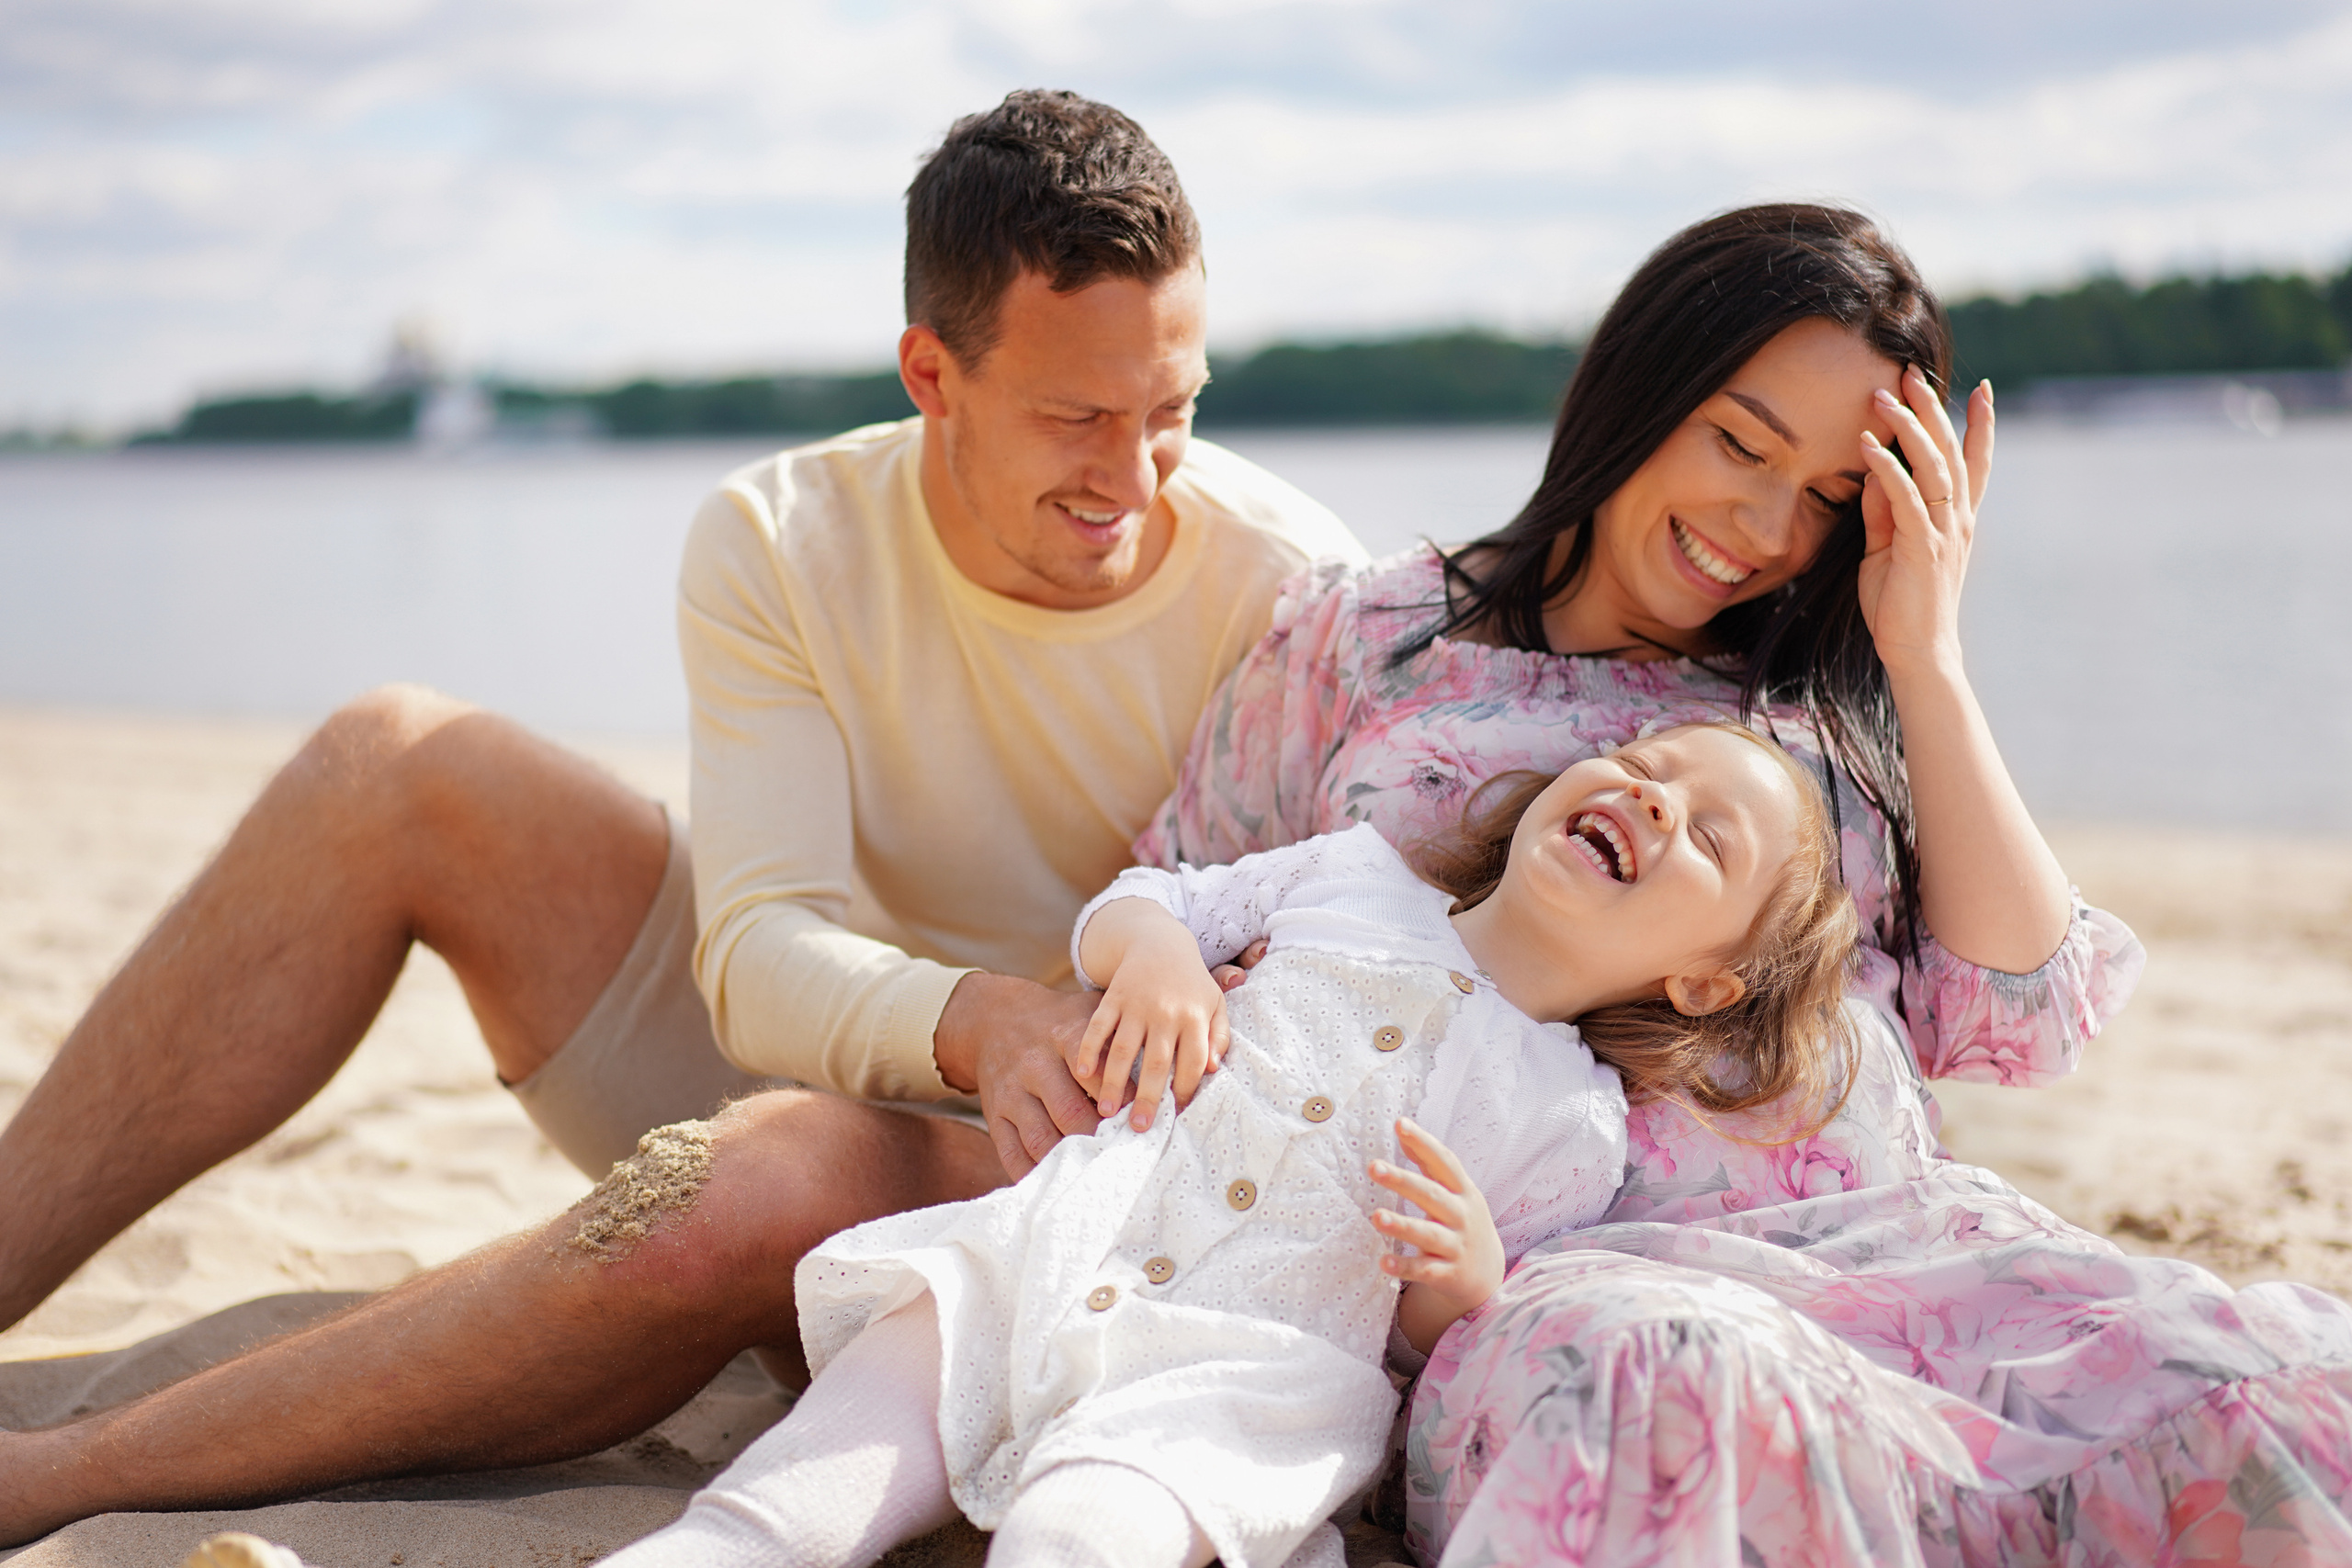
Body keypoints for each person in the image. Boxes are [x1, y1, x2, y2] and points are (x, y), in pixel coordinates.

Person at [0, 88, 1363, 1543]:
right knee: (394, 762)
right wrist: (976, 1017)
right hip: (834, 1047)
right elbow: (759, 955)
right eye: (1077, 417)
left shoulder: (1294, 587)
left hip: (1043, 1167)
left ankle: (63, 1479)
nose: (1135, 476)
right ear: (932, 374)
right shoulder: (781, 535)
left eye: (1173, 411)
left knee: (758, 1179)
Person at [1148, 205, 2350, 1562]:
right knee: (1663, 1389)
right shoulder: (1370, 638)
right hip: (1557, 1286)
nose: (1767, 530)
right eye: (1740, 442)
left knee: (2271, 1395)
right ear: (1640, 383)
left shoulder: (1828, 707)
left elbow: (2019, 1017)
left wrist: (1926, 656)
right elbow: (1178, 911)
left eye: (1834, 497)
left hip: (1910, 1259)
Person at [600, 719, 1859, 1568]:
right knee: (830, 1456)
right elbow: (1148, 902)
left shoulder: (1569, 1122)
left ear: (1704, 983)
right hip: (1056, 1244)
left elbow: (1444, 1346)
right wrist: (1156, 961)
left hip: (1241, 1372)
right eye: (1647, 762)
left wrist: (1459, 1285)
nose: (1652, 797)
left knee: (1084, 1532)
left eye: (1707, 836)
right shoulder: (1354, 879)